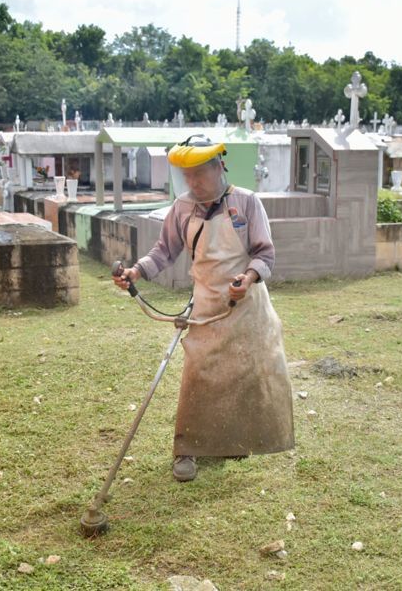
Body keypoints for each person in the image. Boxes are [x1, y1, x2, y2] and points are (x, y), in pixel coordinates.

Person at [113, 136, 294, 482]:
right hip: (206, 303)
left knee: (244, 373)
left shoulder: (247, 203)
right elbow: (163, 251)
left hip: (247, 305)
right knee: (199, 374)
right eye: (187, 176)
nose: (193, 183)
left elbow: (264, 254)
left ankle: (233, 440)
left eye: (199, 174)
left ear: (219, 167)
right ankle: (187, 449)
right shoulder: (182, 208)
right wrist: (137, 271)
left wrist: (249, 276)